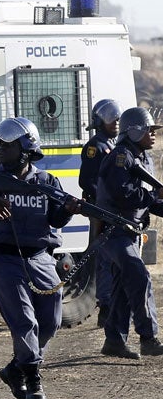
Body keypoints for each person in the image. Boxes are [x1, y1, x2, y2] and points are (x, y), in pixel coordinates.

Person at [0, 117, 80, 399]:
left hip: (41, 259)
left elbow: (55, 218)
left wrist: (69, 210)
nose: (0, 150)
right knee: (24, 322)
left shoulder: (46, 181)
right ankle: (33, 379)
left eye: (6, 145)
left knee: (50, 323)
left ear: (26, 147)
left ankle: (14, 370)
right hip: (4, 259)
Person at [95, 106, 163, 359]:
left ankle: (114, 340)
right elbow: (124, 194)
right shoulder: (120, 157)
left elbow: (148, 202)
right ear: (133, 131)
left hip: (130, 232)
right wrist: (155, 194)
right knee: (138, 277)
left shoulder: (143, 159)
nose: (154, 134)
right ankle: (148, 338)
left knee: (124, 286)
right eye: (149, 130)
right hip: (114, 231)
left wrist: (157, 199)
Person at [79, 99, 121, 327]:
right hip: (101, 210)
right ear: (99, 121)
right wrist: (104, 203)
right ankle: (104, 307)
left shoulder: (114, 145)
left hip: (113, 210)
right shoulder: (95, 147)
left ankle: (110, 304)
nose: (115, 122)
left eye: (117, 119)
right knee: (104, 259)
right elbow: (86, 181)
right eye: (111, 119)